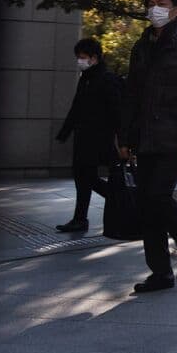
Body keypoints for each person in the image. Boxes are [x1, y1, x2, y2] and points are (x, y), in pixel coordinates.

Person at [120, 0, 177, 293]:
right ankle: (160, 272)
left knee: (159, 196)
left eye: (161, 2)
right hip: (144, 139)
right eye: (151, 3)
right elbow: (131, 96)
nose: (154, 8)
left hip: (174, 137)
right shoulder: (141, 48)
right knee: (148, 204)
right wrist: (125, 138)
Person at [54, 37, 120, 232]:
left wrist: (121, 140)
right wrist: (65, 132)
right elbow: (77, 107)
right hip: (84, 137)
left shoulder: (106, 79)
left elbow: (116, 111)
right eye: (78, 57)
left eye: (82, 57)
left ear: (94, 57)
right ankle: (80, 218)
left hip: (98, 139)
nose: (79, 61)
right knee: (82, 177)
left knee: (87, 178)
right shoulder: (86, 79)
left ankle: (119, 198)